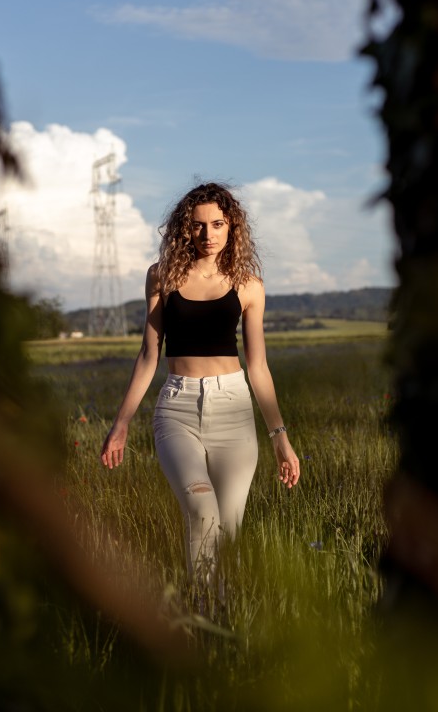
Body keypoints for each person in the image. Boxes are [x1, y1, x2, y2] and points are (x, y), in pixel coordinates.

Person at [100, 182, 299, 593]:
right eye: (197, 226)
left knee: (228, 531)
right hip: (177, 409)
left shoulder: (249, 285)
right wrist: (121, 423)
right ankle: (203, 619)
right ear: (183, 229)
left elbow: (258, 367)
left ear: (232, 228)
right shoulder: (162, 277)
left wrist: (280, 437)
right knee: (202, 511)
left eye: (217, 224)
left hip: (234, 410)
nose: (208, 234)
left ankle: (222, 629)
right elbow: (148, 355)